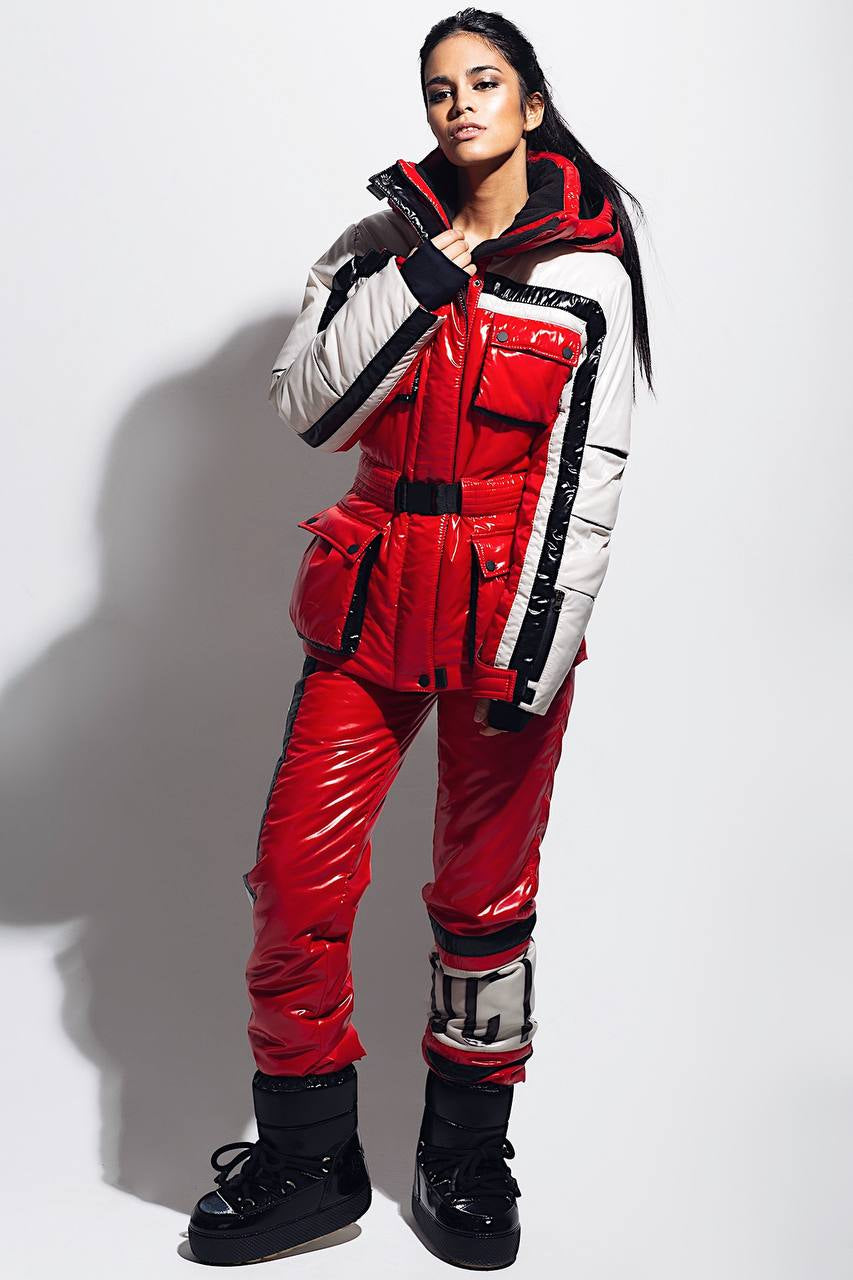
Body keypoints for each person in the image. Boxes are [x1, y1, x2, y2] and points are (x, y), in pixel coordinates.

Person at [187, 6, 653, 1269]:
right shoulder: (371, 248)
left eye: (484, 82)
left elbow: (587, 479)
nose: (460, 105)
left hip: (511, 613)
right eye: (440, 88)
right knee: (295, 877)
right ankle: (306, 1156)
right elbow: (309, 408)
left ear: (531, 103)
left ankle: (464, 1151)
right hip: (369, 599)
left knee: (485, 900)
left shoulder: (593, 277)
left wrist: (535, 654)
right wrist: (424, 277)